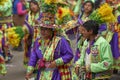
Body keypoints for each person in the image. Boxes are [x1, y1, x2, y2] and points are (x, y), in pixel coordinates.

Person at [25, 12, 73, 80]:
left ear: (52, 30)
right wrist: (29, 71)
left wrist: (56, 62)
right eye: (42, 29)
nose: (43, 31)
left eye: (46, 29)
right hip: (42, 73)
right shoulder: (38, 41)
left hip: (57, 73)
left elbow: (69, 55)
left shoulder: (60, 41)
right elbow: (34, 56)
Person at [23, 0, 41, 68]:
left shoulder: (42, 14)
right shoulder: (28, 15)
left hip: (41, 36)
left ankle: (39, 65)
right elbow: (26, 25)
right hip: (31, 36)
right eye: (31, 6)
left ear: (38, 5)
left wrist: (39, 22)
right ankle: (32, 66)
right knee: (32, 50)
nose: (33, 7)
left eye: (34, 5)